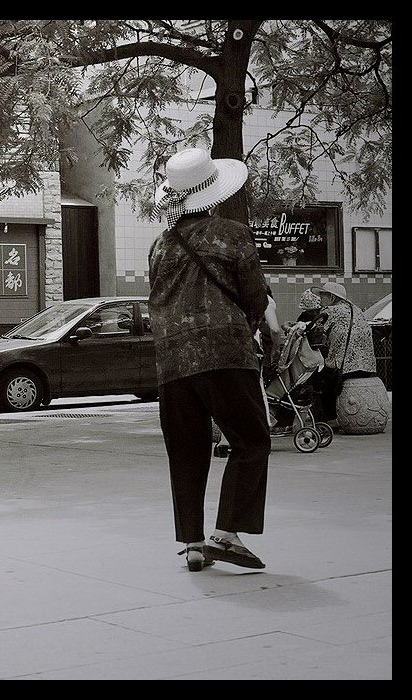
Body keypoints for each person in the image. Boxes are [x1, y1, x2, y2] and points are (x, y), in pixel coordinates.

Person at [148, 147, 271, 572]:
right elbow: (255, 298)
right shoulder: (232, 235)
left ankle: (193, 543)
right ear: (213, 194)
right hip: (223, 355)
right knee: (252, 441)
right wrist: (247, 331)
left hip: (171, 362)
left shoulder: (159, 246)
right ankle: (227, 534)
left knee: (185, 451)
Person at [309, 281, 378, 423]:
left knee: (316, 380)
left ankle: (329, 419)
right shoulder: (356, 310)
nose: (320, 299)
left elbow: (314, 331)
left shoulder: (331, 311)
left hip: (343, 367)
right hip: (367, 367)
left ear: (332, 298)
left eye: (323, 296)